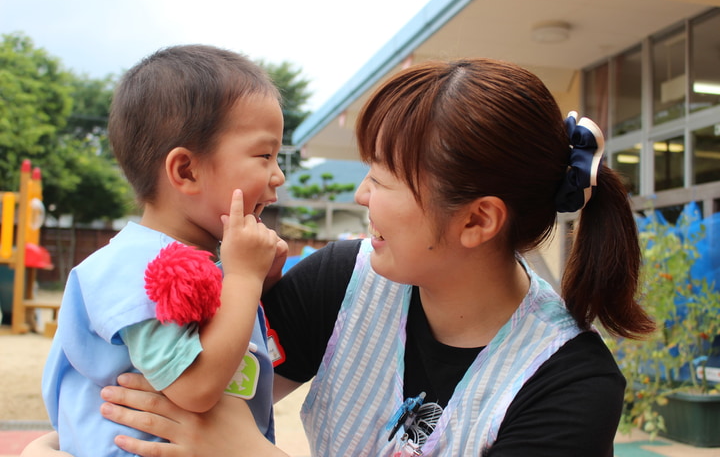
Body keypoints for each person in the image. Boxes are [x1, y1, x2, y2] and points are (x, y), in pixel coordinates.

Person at [27, 58, 654, 457]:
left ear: (477, 219)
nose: (360, 197)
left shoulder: (569, 387)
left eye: (382, 181)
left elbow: (222, 434)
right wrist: (56, 445)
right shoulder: (345, 281)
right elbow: (167, 397)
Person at [40, 44, 287, 457]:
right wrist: (244, 279)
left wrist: (254, 277)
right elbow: (195, 387)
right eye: (265, 155)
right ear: (186, 170)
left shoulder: (212, 261)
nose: (278, 176)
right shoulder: (137, 269)